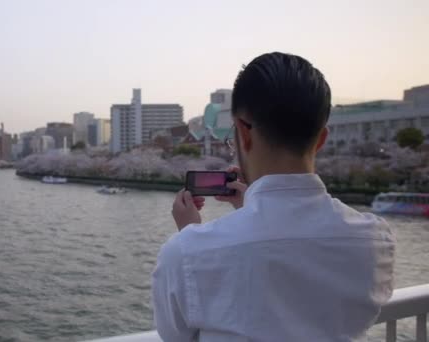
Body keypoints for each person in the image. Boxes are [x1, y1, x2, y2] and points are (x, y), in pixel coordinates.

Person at [152, 52, 395, 341]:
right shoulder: (375, 238)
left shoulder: (187, 251)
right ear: (320, 140)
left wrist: (190, 232)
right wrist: (249, 209)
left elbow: (177, 337)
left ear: (244, 134)